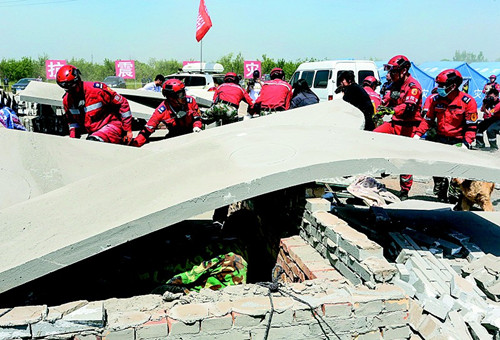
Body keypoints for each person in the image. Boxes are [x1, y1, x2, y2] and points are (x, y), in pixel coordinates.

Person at [413, 69, 478, 202]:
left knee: (457, 178)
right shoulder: (436, 100)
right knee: (438, 173)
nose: (439, 88)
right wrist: (418, 134)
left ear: (453, 86)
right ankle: (441, 197)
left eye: (442, 86)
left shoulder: (467, 102)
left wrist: (467, 143)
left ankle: (455, 201)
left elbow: (472, 127)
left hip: (458, 142)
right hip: (440, 140)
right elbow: (428, 120)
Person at [374, 55, 423, 200]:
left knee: (405, 160)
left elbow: (409, 107)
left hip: (408, 128)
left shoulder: (413, 86)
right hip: (394, 124)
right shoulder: (394, 85)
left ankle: (404, 191)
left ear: (404, 70)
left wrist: (392, 110)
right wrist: (380, 110)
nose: (390, 75)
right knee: (372, 137)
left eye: (394, 71)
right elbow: (388, 100)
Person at [56, 65, 133, 144]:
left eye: (71, 86)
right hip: (94, 132)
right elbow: (73, 122)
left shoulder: (97, 91)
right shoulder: (67, 101)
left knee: (92, 142)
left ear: (78, 81)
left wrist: (127, 130)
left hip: (111, 126)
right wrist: (73, 140)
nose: (70, 90)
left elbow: (122, 103)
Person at [131, 79, 202, 147]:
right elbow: (147, 129)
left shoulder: (190, 101)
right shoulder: (162, 110)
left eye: (184, 92)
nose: (184, 96)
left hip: (193, 133)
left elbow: (197, 117)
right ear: (171, 97)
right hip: (175, 137)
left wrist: (197, 126)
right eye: (181, 94)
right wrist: (135, 144)